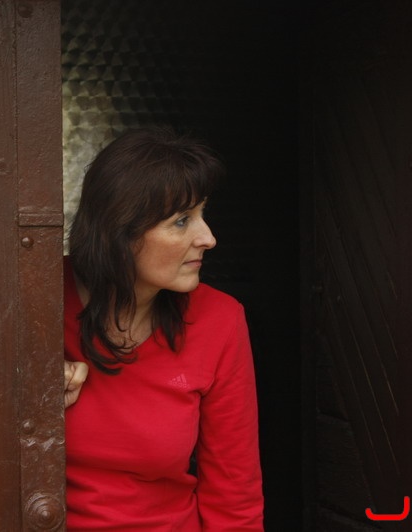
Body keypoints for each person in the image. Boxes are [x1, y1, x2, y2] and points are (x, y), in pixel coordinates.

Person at [62, 127, 263, 530]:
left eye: (202, 214)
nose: (208, 238)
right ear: (121, 230)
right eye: (182, 221)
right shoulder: (35, 302)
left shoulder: (219, 319)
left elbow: (233, 490)